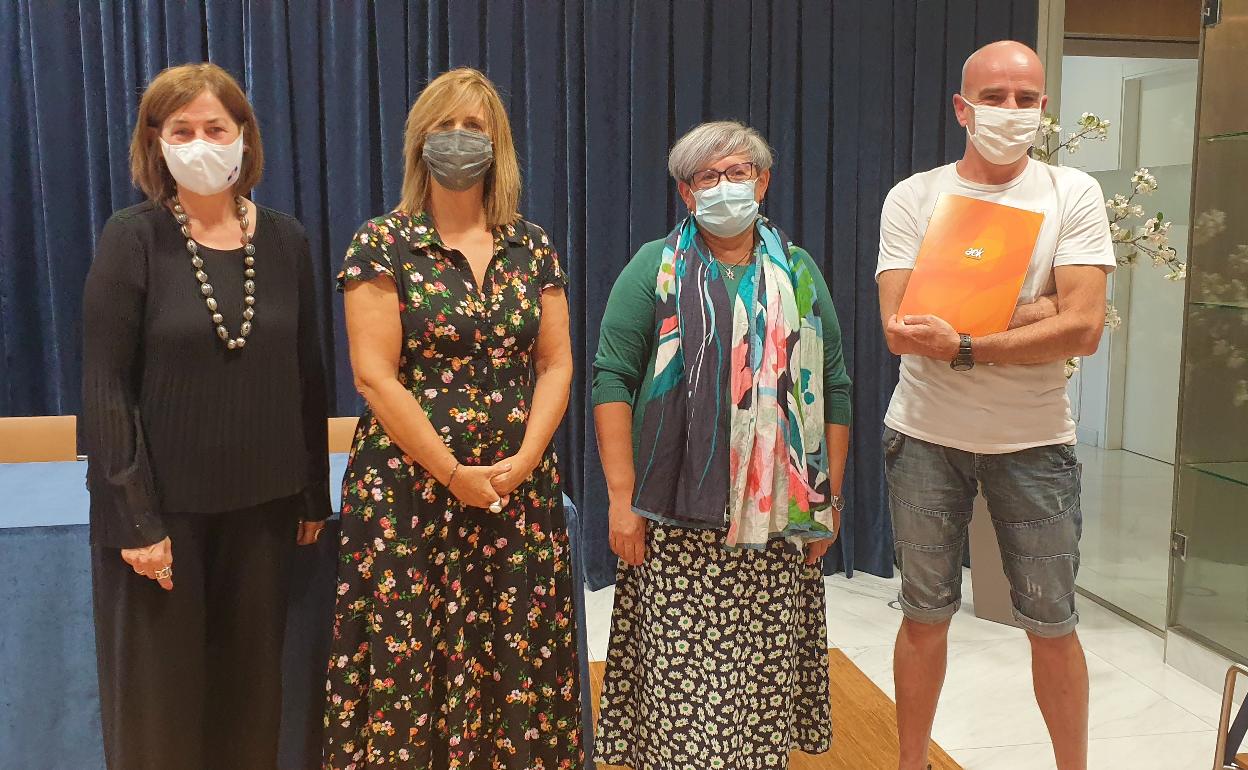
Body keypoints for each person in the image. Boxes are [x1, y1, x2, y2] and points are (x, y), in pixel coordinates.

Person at [323, 68, 581, 769]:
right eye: (445, 126)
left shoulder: (532, 245)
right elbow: (374, 375)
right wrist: (451, 472)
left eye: (475, 127)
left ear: (498, 145)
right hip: (410, 492)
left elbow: (556, 364)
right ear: (419, 141)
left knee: (515, 652)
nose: (460, 139)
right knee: (412, 655)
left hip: (514, 491)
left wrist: (525, 461)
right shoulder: (382, 242)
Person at [82, 62, 331, 770]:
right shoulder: (131, 238)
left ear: (243, 136)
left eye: (215, 128)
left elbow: (307, 373)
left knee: (250, 701)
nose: (200, 144)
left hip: (264, 512)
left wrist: (312, 490)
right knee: (160, 710)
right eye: (181, 130)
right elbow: (104, 386)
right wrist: (133, 518)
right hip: (162, 521)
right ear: (154, 143)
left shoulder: (286, 240)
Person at [876, 41, 1115, 770]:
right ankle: (911, 764)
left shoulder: (1072, 192)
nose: (1012, 111)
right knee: (923, 616)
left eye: (1026, 98)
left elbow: (1084, 328)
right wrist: (1035, 308)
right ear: (962, 108)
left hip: (1035, 441)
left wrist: (967, 339)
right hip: (924, 435)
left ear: (1044, 107)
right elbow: (901, 330)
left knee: (1053, 624)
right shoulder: (914, 197)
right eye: (994, 97)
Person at [592, 120, 853, 769]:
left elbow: (835, 386)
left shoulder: (798, 271)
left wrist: (828, 499)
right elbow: (611, 379)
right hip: (674, 522)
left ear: (763, 183)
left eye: (738, 173)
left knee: (758, 696)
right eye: (707, 177)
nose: (724, 186)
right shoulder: (654, 268)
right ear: (686, 193)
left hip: (777, 520)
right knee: (681, 703)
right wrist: (621, 498)